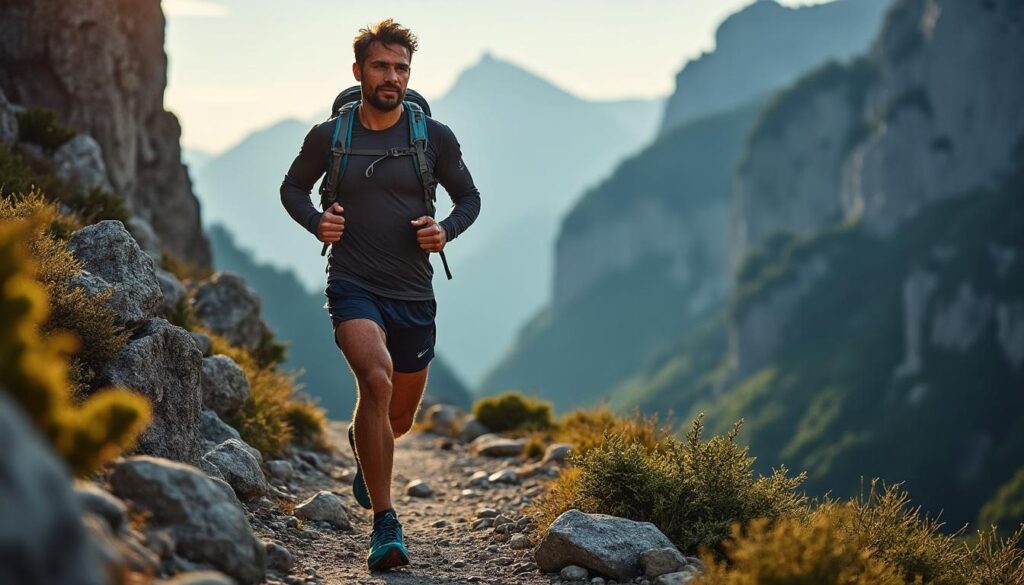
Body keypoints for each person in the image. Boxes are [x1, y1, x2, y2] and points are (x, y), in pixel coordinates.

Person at [278, 19, 481, 572]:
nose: (391, 77)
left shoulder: (432, 138)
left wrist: (446, 232)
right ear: (359, 72)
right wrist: (317, 222)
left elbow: (469, 199)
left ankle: (367, 449)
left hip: (414, 293)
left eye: (400, 68)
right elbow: (292, 188)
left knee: (399, 418)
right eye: (381, 66)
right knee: (376, 378)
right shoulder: (330, 137)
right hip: (353, 284)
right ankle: (385, 524)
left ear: (408, 75)